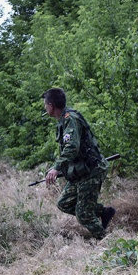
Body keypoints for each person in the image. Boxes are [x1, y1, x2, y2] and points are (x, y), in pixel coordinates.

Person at [42, 88, 115, 239]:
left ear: (50, 105)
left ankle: (106, 241)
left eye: (45, 104)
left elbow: (72, 147)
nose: (44, 107)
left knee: (83, 215)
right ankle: (103, 212)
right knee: (64, 203)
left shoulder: (70, 119)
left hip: (92, 170)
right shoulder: (63, 120)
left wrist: (56, 168)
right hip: (81, 172)